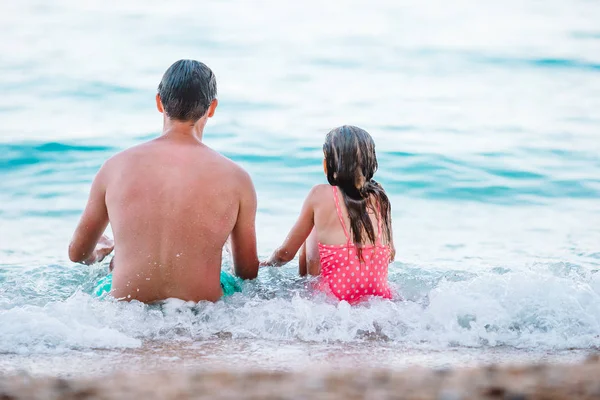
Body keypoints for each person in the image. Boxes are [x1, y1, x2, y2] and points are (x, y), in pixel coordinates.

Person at [69, 59, 259, 302]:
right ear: (211, 108)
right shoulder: (237, 178)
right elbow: (248, 272)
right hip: (201, 311)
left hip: (125, 306)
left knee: (104, 283)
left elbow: (77, 253)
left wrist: (96, 253)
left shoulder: (114, 167)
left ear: (159, 102)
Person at [261, 126, 395, 304]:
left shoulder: (319, 194)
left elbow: (286, 254)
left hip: (334, 301)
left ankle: (305, 284)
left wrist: (268, 264)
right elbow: (391, 254)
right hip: (380, 299)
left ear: (327, 164)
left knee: (313, 228)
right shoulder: (381, 196)